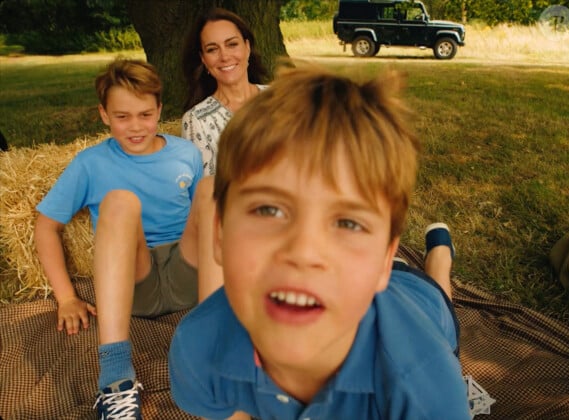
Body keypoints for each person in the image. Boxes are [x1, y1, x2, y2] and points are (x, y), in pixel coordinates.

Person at [169, 65, 470, 419]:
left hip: (422, 304)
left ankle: (438, 260)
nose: (304, 251)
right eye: (268, 209)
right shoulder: (198, 349)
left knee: (438, 293)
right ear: (218, 233)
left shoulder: (426, 389)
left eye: (347, 222)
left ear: (384, 260)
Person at [34, 58, 204, 419]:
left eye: (145, 114)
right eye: (122, 116)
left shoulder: (186, 154)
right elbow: (46, 225)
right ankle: (115, 380)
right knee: (120, 200)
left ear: (160, 109)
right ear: (104, 114)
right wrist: (66, 297)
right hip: (135, 282)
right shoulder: (89, 163)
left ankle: (221, 345)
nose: (136, 127)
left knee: (215, 190)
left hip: (188, 275)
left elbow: (202, 225)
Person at [181, 7, 268, 176]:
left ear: (247, 47)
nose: (224, 56)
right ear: (203, 59)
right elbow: (205, 191)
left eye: (232, 44)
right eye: (212, 49)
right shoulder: (197, 120)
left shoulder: (280, 98)